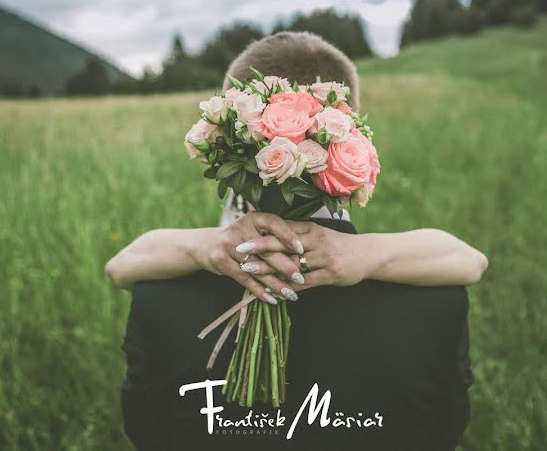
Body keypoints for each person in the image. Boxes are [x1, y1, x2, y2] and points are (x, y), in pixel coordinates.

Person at [106, 32, 487, 450]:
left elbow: (147, 435)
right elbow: (443, 436)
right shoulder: (437, 303)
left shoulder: (158, 300)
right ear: (350, 135)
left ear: (231, 142)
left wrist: (211, 242)